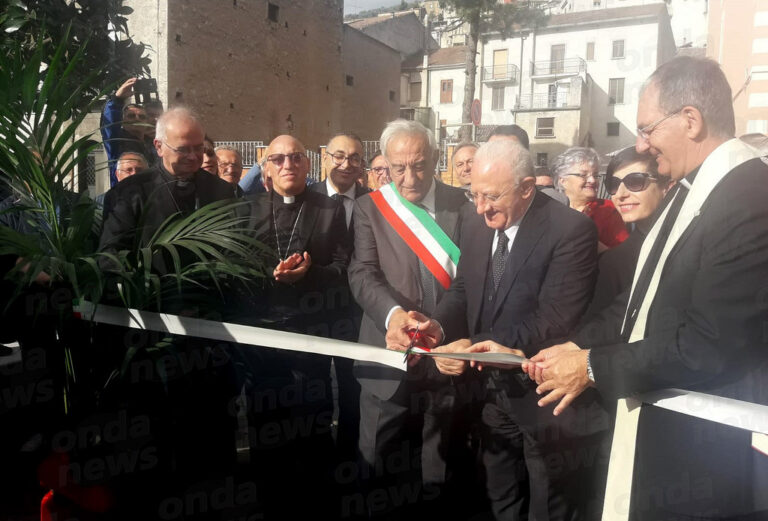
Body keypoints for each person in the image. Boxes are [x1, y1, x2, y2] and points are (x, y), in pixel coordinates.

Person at [526, 55, 768, 521]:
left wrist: (592, 367)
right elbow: (640, 302)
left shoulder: (748, 198)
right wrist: (572, 348)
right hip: (665, 434)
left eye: (647, 129)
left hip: (706, 454)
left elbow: (708, 344)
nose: (642, 144)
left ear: (691, 120)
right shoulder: (692, 192)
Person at [403, 140, 608, 520]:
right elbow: (464, 288)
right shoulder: (474, 221)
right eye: (474, 194)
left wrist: (473, 347)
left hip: (545, 398)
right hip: (493, 398)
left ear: (527, 187)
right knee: (499, 499)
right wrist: (439, 326)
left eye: (492, 196)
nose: (481, 207)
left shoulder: (571, 230)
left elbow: (556, 317)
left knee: (548, 506)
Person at [348, 119, 471, 518]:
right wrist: (394, 315)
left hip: (444, 351)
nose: (409, 177)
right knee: (377, 459)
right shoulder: (370, 207)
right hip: (389, 353)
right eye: (397, 167)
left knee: (441, 462)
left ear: (436, 158)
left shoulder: (463, 205)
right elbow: (362, 272)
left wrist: (442, 325)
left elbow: (470, 279)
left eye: (419, 165)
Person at [241, 134, 351, 519]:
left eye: (296, 158)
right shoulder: (248, 208)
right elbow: (233, 267)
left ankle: (316, 503)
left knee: (313, 418)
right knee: (265, 420)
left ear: (308, 164)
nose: (288, 164)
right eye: (279, 159)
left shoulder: (328, 208)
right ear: (266, 168)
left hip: (311, 332)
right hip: (263, 335)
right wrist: (266, 274)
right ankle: (269, 502)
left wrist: (310, 273)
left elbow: (343, 268)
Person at [99, 107, 238, 269]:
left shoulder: (221, 191)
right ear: (159, 147)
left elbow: (233, 248)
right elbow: (111, 256)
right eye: (183, 149)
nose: (193, 156)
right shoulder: (130, 193)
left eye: (198, 148)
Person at [308, 132, 370, 470]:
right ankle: (318, 462)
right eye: (339, 155)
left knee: (354, 390)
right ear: (325, 157)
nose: (347, 164)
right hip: (313, 312)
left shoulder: (375, 202)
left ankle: (350, 460)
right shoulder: (307, 197)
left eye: (355, 157)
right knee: (315, 389)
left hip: (359, 315)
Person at [581, 147, 671, 319]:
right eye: (613, 185)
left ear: (666, 186)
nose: (620, 195)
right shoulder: (614, 263)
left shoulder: (691, 240)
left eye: (635, 182)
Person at [551, 147, 628, 251]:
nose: (592, 180)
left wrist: (586, 241)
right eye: (583, 175)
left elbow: (621, 257)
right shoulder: (551, 210)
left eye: (596, 175)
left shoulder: (608, 210)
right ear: (562, 180)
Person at [100, 78, 157, 187]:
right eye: (131, 116)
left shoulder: (153, 145)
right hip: (124, 197)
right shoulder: (117, 142)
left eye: (142, 117)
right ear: (123, 121)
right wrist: (117, 100)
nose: (137, 119)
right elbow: (109, 126)